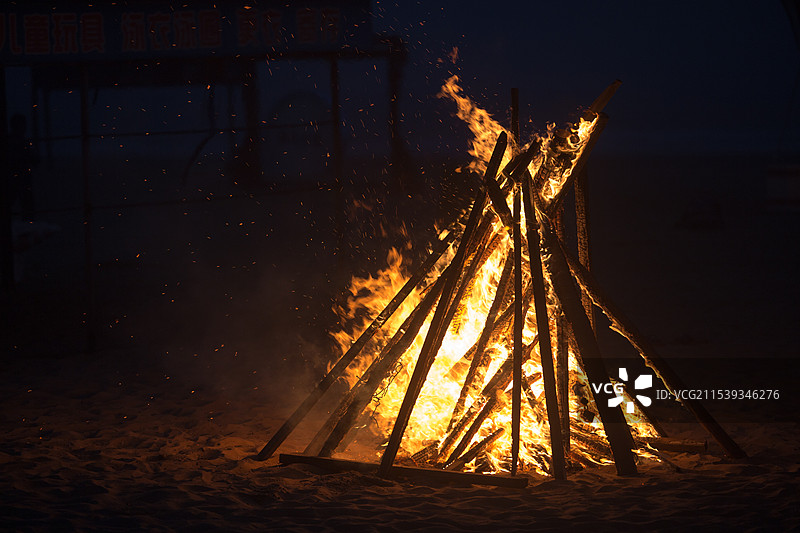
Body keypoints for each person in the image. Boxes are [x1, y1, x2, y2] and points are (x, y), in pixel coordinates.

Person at [8, 114, 37, 221]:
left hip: (14, 178)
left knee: (22, 202)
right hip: (18, 178)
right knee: (26, 204)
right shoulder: (21, 142)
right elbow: (34, 160)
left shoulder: (11, 141)